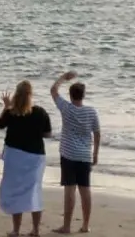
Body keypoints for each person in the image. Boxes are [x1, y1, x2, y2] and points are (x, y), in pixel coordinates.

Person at [0, 81, 52, 237]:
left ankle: (16, 230)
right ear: (31, 94)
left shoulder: (11, 112)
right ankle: (35, 229)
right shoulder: (40, 112)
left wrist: (6, 106)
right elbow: (48, 134)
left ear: (16, 94)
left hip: (14, 155)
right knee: (34, 191)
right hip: (35, 156)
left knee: (16, 191)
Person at [49, 73, 100, 234]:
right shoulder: (91, 112)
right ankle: (85, 225)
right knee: (85, 190)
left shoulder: (67, 108)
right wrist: (95, 153)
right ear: (83, 95)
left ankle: (67, 226)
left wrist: (63, 77)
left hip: (68, 154)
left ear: (71, 96)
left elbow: (53, 90)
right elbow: (97, 133)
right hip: (84, 155)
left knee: (69, 190)